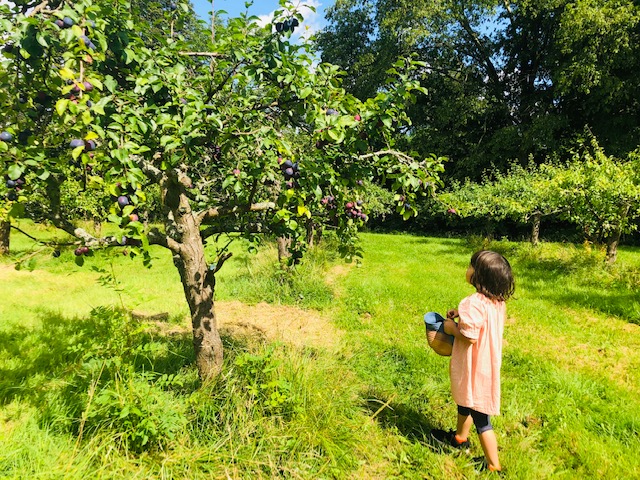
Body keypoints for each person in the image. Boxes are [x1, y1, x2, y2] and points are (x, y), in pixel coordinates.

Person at [430, 250, 515, 473]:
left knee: (481, 418)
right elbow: (482, 321)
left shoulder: (472, 303)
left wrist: (451, 328)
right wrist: (460, 313)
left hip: (473, 365)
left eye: (471, 266)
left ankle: (494, 465)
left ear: (479, 277)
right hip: (487, 364)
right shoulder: (497, 302)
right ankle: (459, 438)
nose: (467, 269)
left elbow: (469, 336)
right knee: (465, 403)